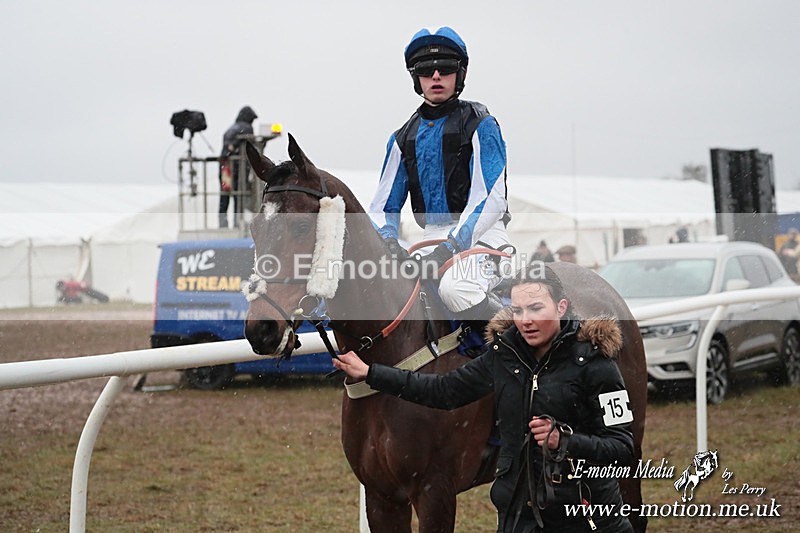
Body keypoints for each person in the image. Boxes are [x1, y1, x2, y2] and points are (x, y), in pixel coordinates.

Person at [333, 264, 635, 532]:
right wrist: (372, 373)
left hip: (585, 517)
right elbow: (442, 390)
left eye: (536, 308)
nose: (526, 321)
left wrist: (564, 441)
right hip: (519, 518)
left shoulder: (597, 365)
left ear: (561, 307)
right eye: (517, 311)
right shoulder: (503, 356)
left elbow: (622, 447)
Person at [368, 26, 511, 336]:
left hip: (481, 235)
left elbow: (490, 198)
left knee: (457, 290)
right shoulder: (401, 137)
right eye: (425, 70)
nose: (436, 76)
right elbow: (382, 206)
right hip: (428, 238)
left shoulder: (482, 124)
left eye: (445, 69)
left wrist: (451, 247)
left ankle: (520, 358)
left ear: (460, 74)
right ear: (415, 78)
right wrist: (389, 242)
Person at [219, 105, 258, 228]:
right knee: (239, 195)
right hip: (238, 167)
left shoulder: (230, 129)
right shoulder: (247, 127)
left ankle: (222, 224)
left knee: (224, 195)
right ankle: (237, 222)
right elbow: (251, 144)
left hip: (225, 166)